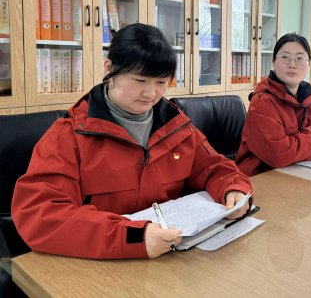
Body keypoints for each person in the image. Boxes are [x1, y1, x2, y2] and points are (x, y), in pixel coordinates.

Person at [12, 23, 252, 260]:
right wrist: (133, 237)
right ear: (109, 69)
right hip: (96, 264)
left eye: (161, 82)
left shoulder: (176, 125)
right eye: (140, 80)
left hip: (168, 256)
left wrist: (233, 189)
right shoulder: (69, 135)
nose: (151, 93)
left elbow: (214, 166)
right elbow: (41, 215)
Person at [236, 33, 311, 176]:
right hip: (261, 177)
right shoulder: (262, 101)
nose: (292, 64)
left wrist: (296, 154)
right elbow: (278, 155)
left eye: (299, 58)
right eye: (285, 57)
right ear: (273, 61)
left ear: (309, 64)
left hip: (301, 172)